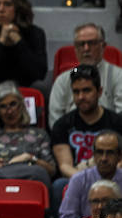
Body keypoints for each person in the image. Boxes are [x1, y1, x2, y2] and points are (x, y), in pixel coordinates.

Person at [51, 64, 122, 210]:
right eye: (76, 92)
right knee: (59, 185)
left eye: (87, 90)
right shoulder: (62, 124)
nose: (81, 97)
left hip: (113, 174)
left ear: (100, 91)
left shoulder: (117, 122)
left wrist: (104, 175)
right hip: (78, 177)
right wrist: (86, 178)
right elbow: (65, 166)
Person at [0, 81, 55, 187]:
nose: (9, 111)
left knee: (40, 173)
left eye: (13, 104)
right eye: (3, 106)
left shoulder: (39, 135)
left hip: (29, 183)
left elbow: (52, 171)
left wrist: (31, 158)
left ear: (21, 105)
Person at [48, 23, 122, 127]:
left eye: (91, 43)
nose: (86, 48)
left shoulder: (118, 76)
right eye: (80, 44)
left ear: (103, 46)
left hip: (110, 138)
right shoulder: (62, 80)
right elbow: (55, 123)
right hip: (71, 138)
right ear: (75, 49)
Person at [59, 130, 122, 218]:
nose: (104, 158)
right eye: (99, 152)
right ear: (93, 154)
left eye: (110, 153)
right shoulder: (78, 179)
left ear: (120, 155)